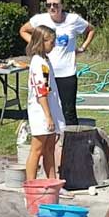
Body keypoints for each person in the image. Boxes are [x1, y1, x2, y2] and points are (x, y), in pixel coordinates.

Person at [20, 0, 95, 125]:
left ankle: (71, 142)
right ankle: (52, 137)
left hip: (67, 72)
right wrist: (37, 44)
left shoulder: (73, 19)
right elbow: (23, 30)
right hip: (47, 72)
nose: (52, 8)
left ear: (62, 5)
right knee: (49, 107)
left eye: (55, 5)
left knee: (68, 111)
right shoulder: (40, 19)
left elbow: (90, 30)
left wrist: (82, 47)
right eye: (48, 5)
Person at [25, 25, 66, 181]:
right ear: (41, 42)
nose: (53, 45)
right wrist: (48, 116)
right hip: (41, 112)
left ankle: (52, 181)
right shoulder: (38, 63)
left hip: (51, 108)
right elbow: (41, 90)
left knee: (49, 148)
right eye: (51, 42)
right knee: (37, 149)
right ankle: (31, 184)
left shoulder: (45, 60)